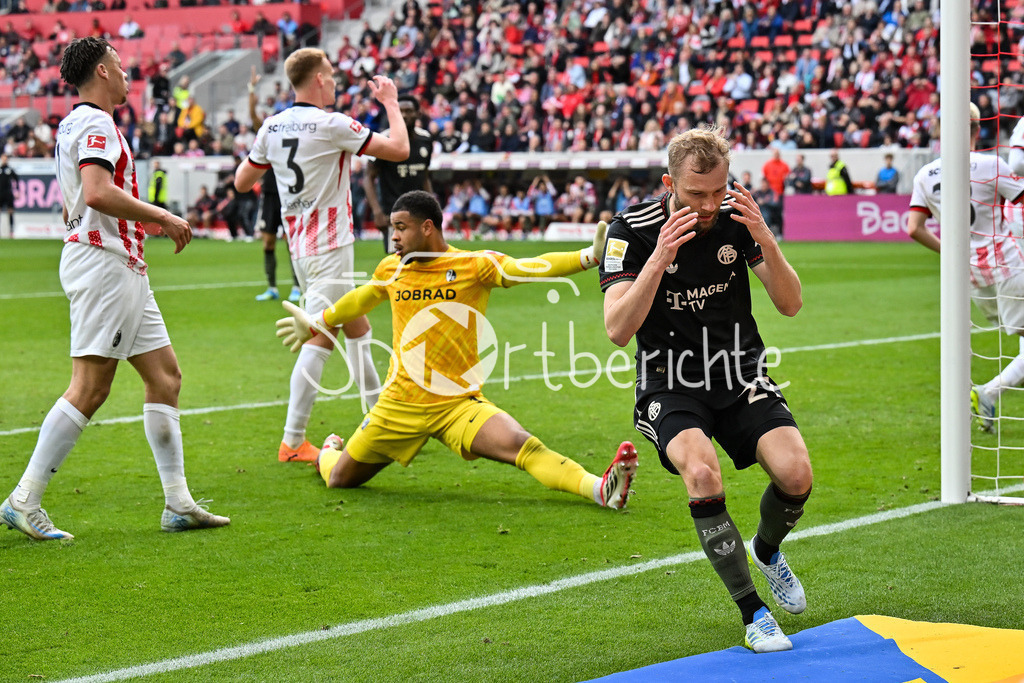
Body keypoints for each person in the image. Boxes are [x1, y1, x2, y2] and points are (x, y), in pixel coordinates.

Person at [275, 190, 638, 509]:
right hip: (399, 404)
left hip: (455, 404)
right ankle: (327, 452)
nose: (394, 236)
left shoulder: (472, 266)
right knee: (339, 478)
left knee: (522, 445)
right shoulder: (392, 269)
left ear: (428, 228)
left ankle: (600, 489)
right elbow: (359, 299)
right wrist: (316, 321)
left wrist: (587, 257)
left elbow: (527, 267)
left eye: (401, 227)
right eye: (392, 228)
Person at [0, 37, 229, 541]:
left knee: (166, 377)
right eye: (121, 66)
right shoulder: (97, 122)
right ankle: (24, 498)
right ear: (102, 71)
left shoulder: (71, 123)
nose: (127, 75)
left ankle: (178, 503)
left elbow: (77, 199)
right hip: (104, 264)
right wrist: (163, 216)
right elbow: (99, 191)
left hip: (120, 262)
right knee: (90, 386)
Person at [599, 126, 811, 653]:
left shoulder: (738, 217)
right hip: (670, 381)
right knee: (700, 471)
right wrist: (658, 257)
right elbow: (617, 330)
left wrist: (765, 238)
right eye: (697, 195)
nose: (711, 204)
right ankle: (752, 611)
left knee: (796, 474)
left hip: (740, 371)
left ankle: (765, 551)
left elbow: (790, 303)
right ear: (670, 184)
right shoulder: (630, 230)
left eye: (719, 190)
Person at [235, 48, 409, 462]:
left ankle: (380, 417)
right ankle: (293, 441)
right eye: (330, 75)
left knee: (357, 326)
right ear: (316, 80)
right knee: (320, 337)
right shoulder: (333, 125)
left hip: (300, 247)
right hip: (330, 245)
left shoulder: (271, 126)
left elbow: (243, 181)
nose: (333, 82)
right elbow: (400, 148)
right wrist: (390, 103)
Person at [907, 104, 1024, 433]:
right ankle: (987, 392)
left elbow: (914, 227)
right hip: (1007, 265)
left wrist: (952, 253)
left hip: (970, 277)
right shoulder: (991, 165)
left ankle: (988, 394)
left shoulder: (926, 175)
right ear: (977, 128)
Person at [246, 66, 301, 303]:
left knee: (290, 241)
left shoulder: (298, 132)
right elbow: (253, 116)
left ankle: (298, 285)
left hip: (289, 190)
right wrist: (251, 89)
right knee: (267, 240)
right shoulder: (269, 130)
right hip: (269, 191)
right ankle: (272, 287)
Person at [364, 93, 432, 253]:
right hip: (393, 215)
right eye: (400, 111)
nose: (405, 115)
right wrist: (377, 211)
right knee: (399, 264)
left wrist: (433, 207)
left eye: (409, 111)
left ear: (418, 113)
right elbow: (368, 177)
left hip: (420, 213)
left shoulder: (426, 139)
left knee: (424, 263)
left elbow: (425, 176)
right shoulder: (383, 140)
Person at [0, 153, 19, 237]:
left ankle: (11, 231)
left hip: (8, 193)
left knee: (10, 211)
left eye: (5, 158)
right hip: (0, 193)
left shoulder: (10, 170)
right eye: (3, 158)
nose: (4, 160)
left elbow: (16, 180)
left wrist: (17, 191)